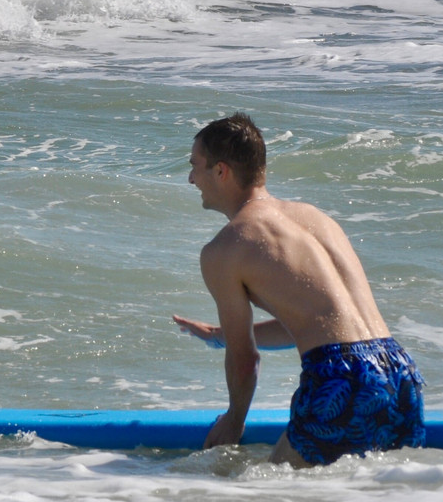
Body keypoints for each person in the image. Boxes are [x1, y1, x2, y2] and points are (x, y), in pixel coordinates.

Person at [172, 113, 425, 466]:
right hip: (399, 373)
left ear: (221, 171)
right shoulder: (316, 219)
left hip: (340, 378)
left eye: (195, 166)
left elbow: (245, 362)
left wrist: (234, 419)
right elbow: (319, 323)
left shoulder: (226, 248)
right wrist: (220, 334)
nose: (190, 178)